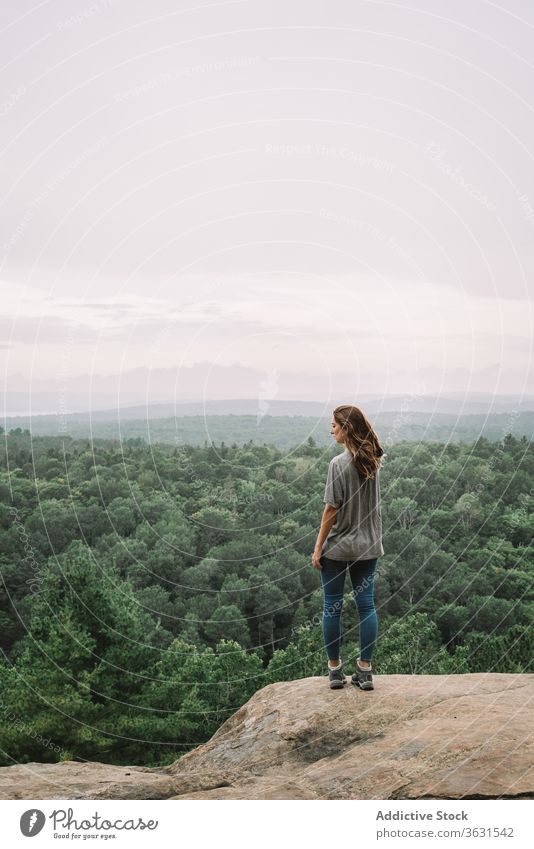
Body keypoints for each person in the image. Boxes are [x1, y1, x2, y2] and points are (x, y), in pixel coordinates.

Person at [311, 405, 384, 690]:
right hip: (368, 545)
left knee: (332, 607)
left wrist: (318, 549)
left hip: (339, 547)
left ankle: (335, 671)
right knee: (366, 606)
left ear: (346, 428)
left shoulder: (337, 464)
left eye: (334, 425)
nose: (331, 429)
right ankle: (365, 671)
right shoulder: (374, 461)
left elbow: (331, 510)